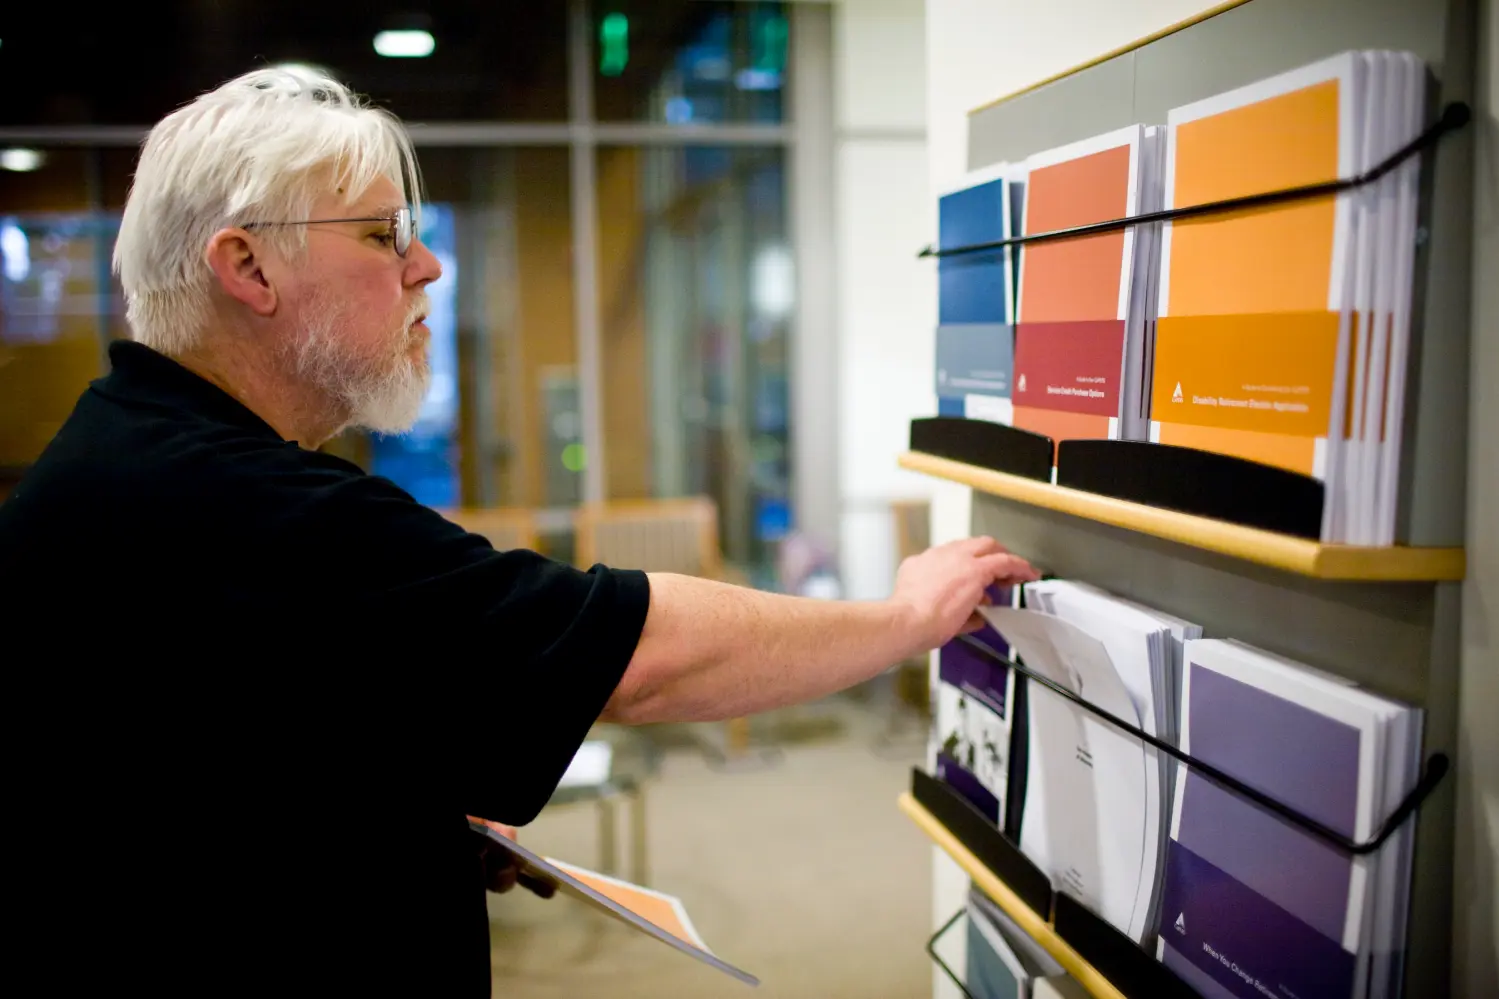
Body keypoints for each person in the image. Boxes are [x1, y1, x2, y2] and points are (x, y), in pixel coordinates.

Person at [0, 68, 1036, 996]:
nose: (429, 269)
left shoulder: (124, 448)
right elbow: (642, 659)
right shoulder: (247, 505)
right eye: (383, 236)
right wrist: (904, 617)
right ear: (248, 268)